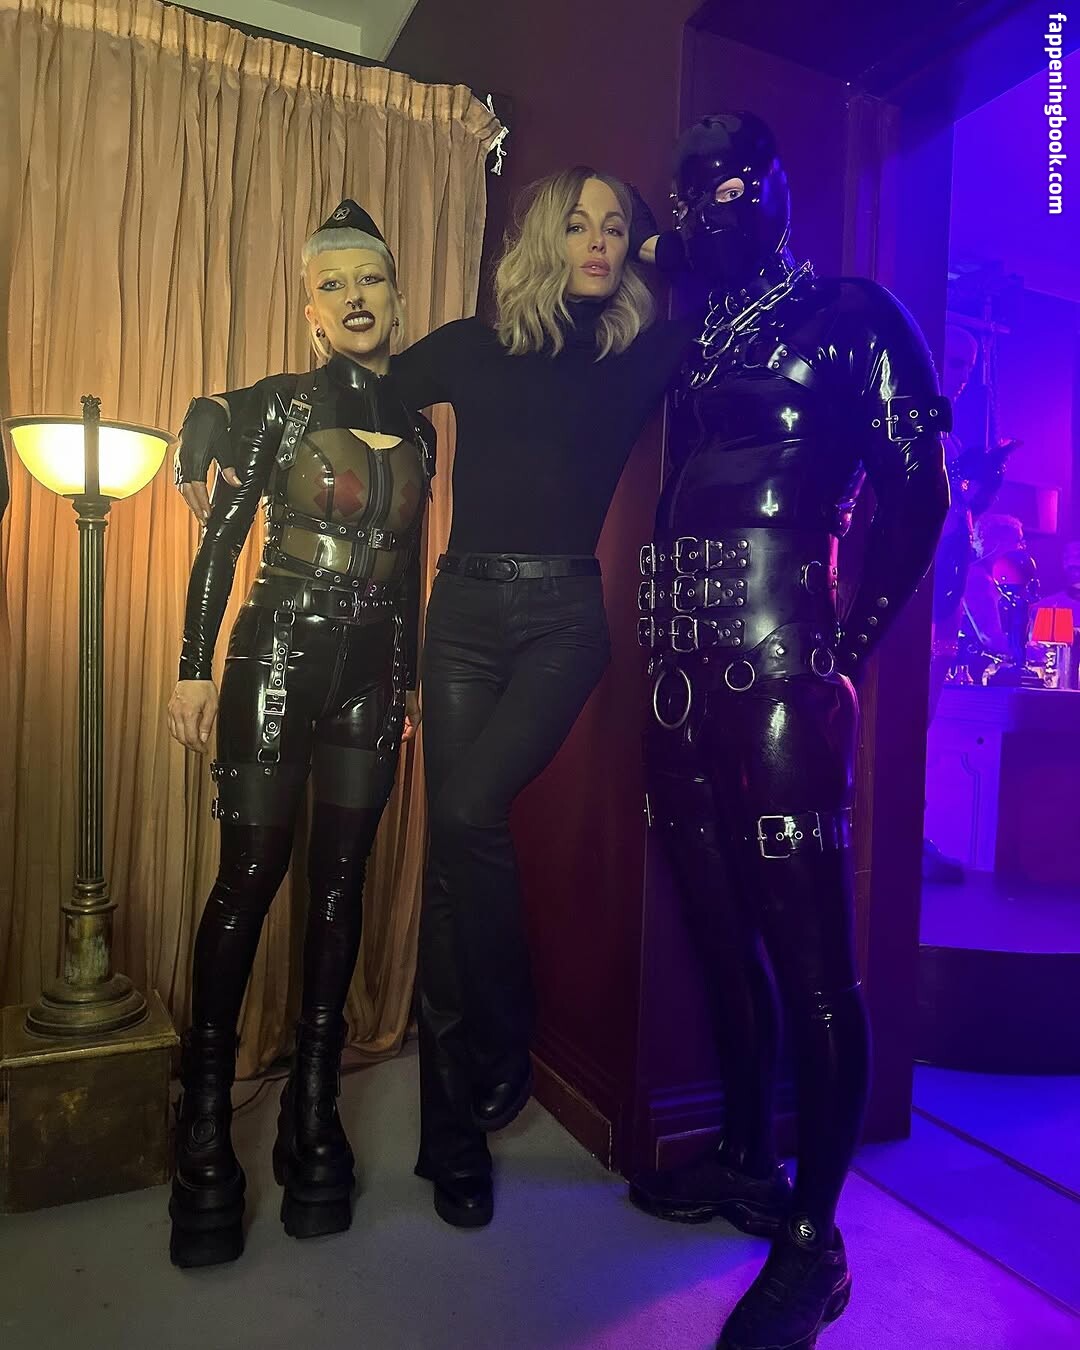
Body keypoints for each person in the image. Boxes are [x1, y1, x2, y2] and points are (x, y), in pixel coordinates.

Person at [175, 169, 690, 1230]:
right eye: (577, 222)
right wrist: (217, 410)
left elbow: (735, 309)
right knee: (445, 869)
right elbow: (347, 384)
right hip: (453, 618)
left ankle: (507, 1026)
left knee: (461, 814)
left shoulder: (642, 352)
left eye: (616, 227)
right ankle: (450, 1143)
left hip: (560, 621)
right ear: (542, 236)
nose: (599, 241)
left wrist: (667, 246)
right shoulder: (470, 344)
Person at [628, 114, 949, 1350]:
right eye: (687, 197)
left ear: (773, 191)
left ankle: (815, 1243)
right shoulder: (703, 334)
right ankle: (745, 1158)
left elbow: (918, 496)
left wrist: (845, 647)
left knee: (814, 962)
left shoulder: (855, 314)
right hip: (680, 671)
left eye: (725, 190)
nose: (703, 214)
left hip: (778, 670)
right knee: (717, 929)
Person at [166, 200, 434, 1268]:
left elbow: (407, 573)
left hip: (373, 671)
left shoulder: (419, 427)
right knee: (250, 876)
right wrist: (194, 667)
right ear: (310, 311)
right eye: (334, 284)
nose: (355, 298)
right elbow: (221, 544)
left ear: (397, 297)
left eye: (371, 279)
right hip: (277, 650)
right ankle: (202, 1123)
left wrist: (408, 683)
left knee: (342, 882)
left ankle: (312, 1106)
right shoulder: (277, 407)